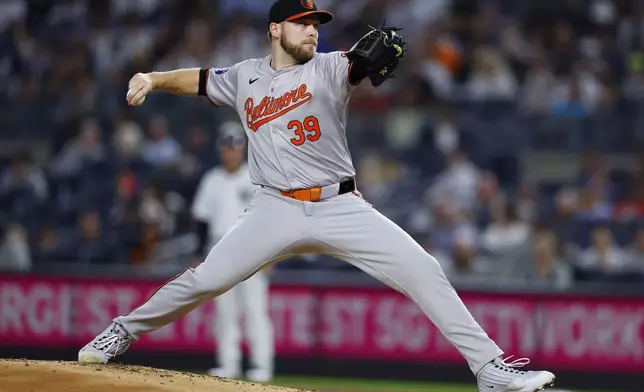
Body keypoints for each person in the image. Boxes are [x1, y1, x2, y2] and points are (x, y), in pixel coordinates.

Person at [78, 1, 556, 391]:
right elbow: (200, 79)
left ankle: (489, 369)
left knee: (423, 269)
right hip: (274, 208)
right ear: (275, 29)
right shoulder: (245, 76)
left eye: (316, 24)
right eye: (302, 23)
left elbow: (357, 63)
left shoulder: (329, 68)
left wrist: (371, 58)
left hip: (339, 205)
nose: (312, 31)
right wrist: (154, 80)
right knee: (206, 280)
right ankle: (122, 331)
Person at [191, 122, 274, 382]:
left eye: (235, 147)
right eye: (227, 147)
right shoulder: (211, 180)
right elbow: (201, 221)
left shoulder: (256, 177)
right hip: (218, 251)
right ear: (220, 150)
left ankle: (261, 365)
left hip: (251, 251)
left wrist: (271, 254)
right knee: (225, 313)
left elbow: (269, 219)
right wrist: (199, 254)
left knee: (254, 310)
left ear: (243, 149)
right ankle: (229, 364)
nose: (231, 152)